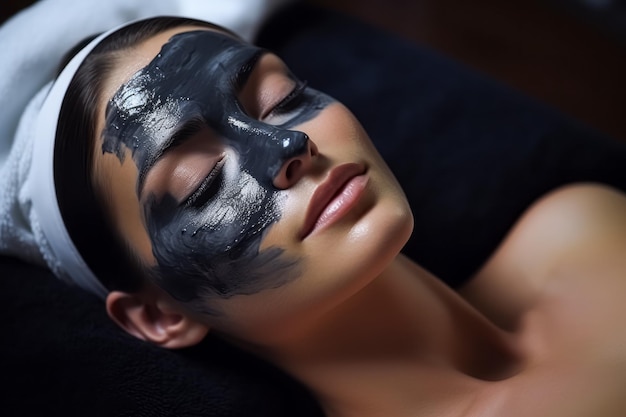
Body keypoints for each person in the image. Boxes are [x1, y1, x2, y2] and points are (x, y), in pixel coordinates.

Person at [7, 14, 626, 417]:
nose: (287, 148)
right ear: (157, 315)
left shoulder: (581, 227)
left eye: (281, 100)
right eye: (202, 186)